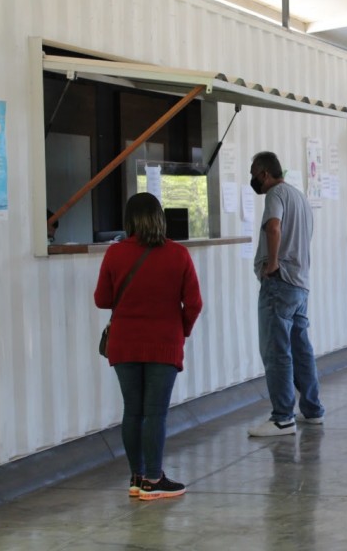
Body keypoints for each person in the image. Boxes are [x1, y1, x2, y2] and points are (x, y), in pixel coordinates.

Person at [94, 192, 202, 500]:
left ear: (129, 221)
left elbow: (102, 299)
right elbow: (194, 303)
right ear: (160, 218)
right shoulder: (178, 255)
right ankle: (154, 480)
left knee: (133, 411)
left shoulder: (115, 254)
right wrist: (181, 330)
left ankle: (137, 477)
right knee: (155, 413)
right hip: (163, 345)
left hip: (124, 344)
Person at [248, 151, 324, 437]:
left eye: (254, 173)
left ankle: (282, 417)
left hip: (280, 284)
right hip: (300, 285)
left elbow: (274, 226)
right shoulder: (299, 197)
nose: (253, 179)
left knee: (276, 350)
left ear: (265, 173)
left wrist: (272, 263)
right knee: (301, 349)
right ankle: (313, 410)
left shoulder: (275, 195)